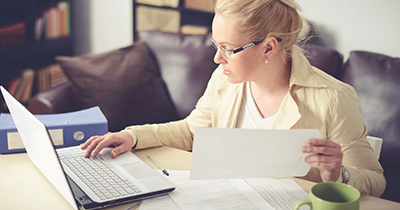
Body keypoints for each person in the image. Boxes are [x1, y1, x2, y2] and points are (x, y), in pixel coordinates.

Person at [81, 0, 386, 197]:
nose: (216, 58)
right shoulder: (227, 80)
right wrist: (132, 135)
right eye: (216, 44)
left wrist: (338, 173)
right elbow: (191, 132)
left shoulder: (334, 98)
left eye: (228, 48)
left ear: (268, 48)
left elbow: (376, 181)